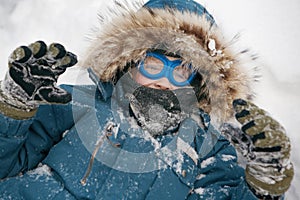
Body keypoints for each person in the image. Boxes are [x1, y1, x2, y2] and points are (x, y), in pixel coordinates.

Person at [0, 0, 294, 199]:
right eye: (153, 65)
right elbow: (7, 167)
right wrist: (12, 110)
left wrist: (264, 182)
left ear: (199, 83)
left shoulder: (206, 148)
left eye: (181, 70)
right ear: (128, 63)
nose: (164, 81)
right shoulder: (77, 104)